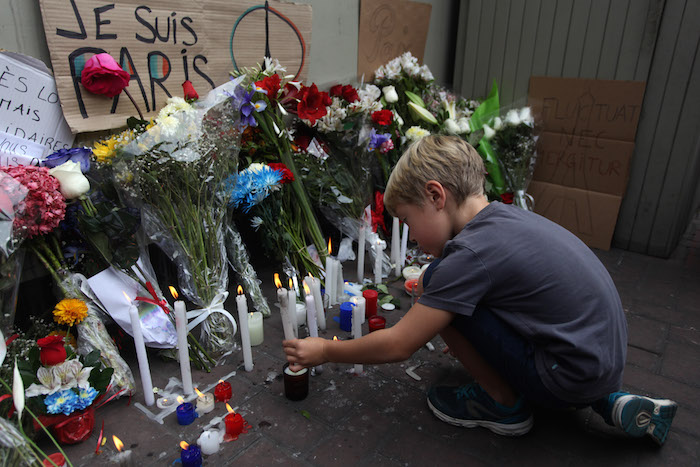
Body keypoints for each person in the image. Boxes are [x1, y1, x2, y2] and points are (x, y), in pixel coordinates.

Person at [282, 135, 677, 445]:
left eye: (407, 221)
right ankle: (607, 400)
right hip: (598, 360)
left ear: (436, 196)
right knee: (444, 287)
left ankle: (503, 406)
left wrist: (326, 350)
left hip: (565, 375)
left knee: (434, 285)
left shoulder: (469, 254)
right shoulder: (508, 218)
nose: (413, 238)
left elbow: (400, 345)